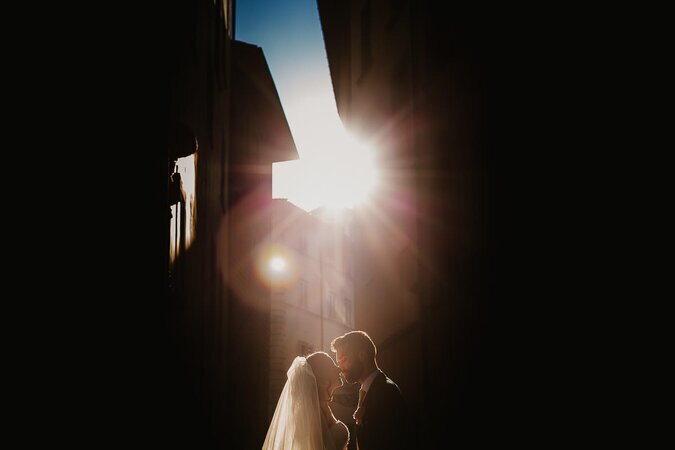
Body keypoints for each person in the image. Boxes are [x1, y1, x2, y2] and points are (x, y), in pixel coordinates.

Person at [331, 331, 410, 450]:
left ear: (362, 355)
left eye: (344, 360)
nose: (341, 369)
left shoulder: (387, 391)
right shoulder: (368, 390)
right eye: (339, 363)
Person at [262, 351, 350, 450]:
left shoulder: (323, 406)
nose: (338, 369)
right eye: (332, 365)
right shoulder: (311, 413)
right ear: (323, 379)